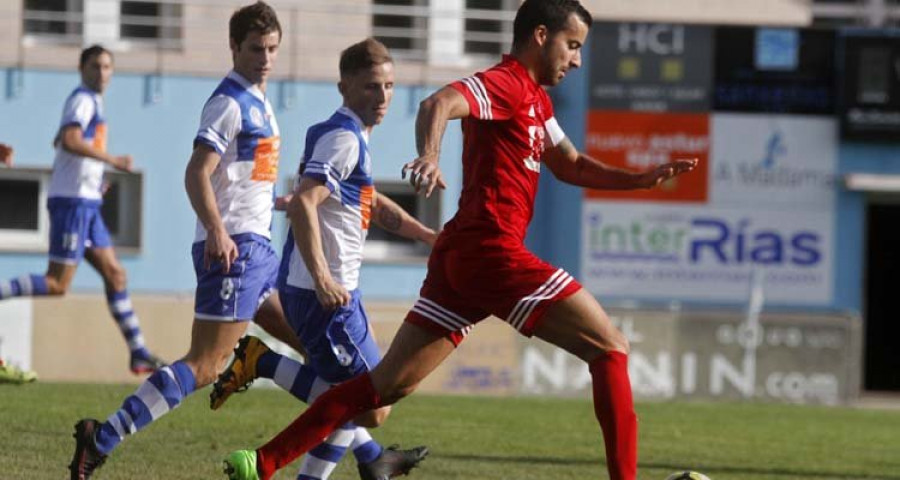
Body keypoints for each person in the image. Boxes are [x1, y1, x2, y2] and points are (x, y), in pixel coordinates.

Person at [222, 1, 699, 480]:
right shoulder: (508, 82)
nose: (576, 59)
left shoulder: (537, 100)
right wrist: (429, 155)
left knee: (384, 386)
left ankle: (261, 462)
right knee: (610, 347)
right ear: (539, 35)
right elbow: (439, 103)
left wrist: (639, 180)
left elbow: (571, 164)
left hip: (462, 258)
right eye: (571, 46)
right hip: (492, 252)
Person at [67, 5, 418, 480]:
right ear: (234, 48)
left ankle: (364, 450)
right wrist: (216, 228)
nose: (266, 58)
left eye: (273, 49)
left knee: (335, 376)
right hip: (235, 252)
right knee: (206, 364)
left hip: (259, 252)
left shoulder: (259, 98)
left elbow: (239, 177)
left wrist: (272, 201)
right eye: (256, 49)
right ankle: (102, 436)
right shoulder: (229, 102)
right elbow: (197, 172)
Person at [213, 38, 433, 480]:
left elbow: (367, 200)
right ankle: (264, 363)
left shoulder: (340, 135)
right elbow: (304, 204)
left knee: (346, 397)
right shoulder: (344, 139)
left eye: (389, 87)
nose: (383, 97)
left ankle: (371, 462)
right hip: (325, 296)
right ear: (344, 86)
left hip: (321, 292)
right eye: (372, 87)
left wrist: (428, 236)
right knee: (373, 404)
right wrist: (324, 278)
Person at [0, 46, 164, 376]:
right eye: (95, 66)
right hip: (72, 203)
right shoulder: (83, 99)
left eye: (107, 67)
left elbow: (61, 140)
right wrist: (112, 161)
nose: (101, 73)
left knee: (116, 274)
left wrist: (94, 178)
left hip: (87, 202)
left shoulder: (93, 102)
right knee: (57, 283)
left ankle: (139, 352)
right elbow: (71, 140)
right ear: (81, 68)